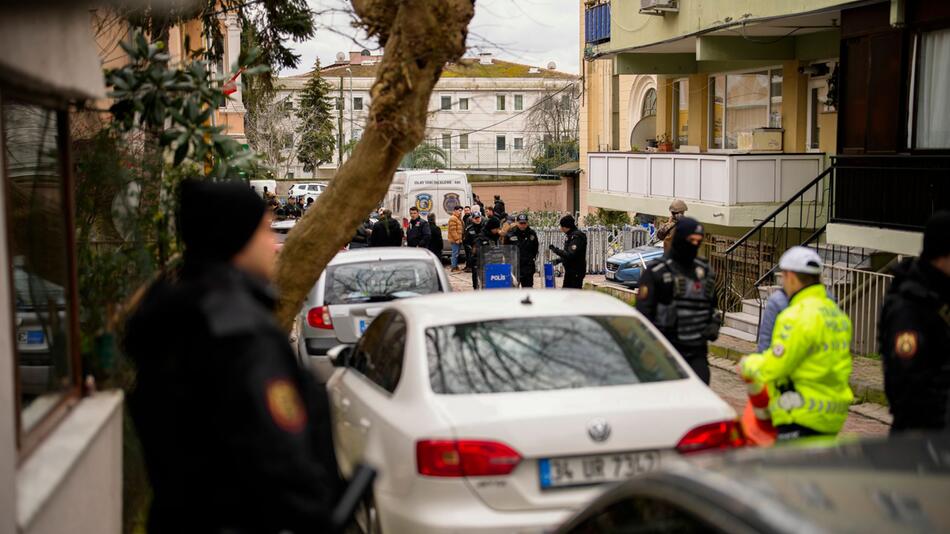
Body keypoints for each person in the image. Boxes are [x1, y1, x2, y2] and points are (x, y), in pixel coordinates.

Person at [124, 180, 342, 532]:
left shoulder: (169, 310)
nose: (273, 244)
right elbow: (279, 457)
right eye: (265, 230)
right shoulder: (240, 331)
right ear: (236, 237)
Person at [739, 246, 853, 441]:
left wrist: (748, 365)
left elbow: (778, 363)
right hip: (832, 414)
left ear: (790, 276)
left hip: (801, 413)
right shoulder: (836, 314)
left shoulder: (795, 316)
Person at [880, 211, 950, 433]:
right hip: (922, 439)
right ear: (943, 255)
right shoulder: (909, 306)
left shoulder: (939, 295)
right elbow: (908, 382)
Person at [636, 218, 719, 383]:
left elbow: (712, 306)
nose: (694, 244)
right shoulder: (657, 271)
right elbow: (644, 316)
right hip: (665, 353)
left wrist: (713, 324)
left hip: (696, 352)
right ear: (680, 238)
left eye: (698, 241)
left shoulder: (703, 271)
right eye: (691, 240)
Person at [549, 215, 587, 289]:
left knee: (573, 296)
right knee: (567, 294)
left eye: (562, 227)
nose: (561, 229)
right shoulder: (570, 235)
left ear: (566, 227)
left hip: (576, 272)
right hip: (570, 271)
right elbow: (569, 256)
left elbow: (570, 255)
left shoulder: (576, 237)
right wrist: (558, 260)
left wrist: (556, 250)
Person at [506, 213, 540, 288]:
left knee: (527, 289)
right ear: (517, 222)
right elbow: (506, 249)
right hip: (515, 266)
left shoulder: (532, 234)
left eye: (524, 223)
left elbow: (535, 248)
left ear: (527, 223)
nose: (523, 225)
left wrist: (530, 258)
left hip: (527, 267)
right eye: (521, 223)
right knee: (513, 289)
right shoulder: (511, 233)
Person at [464, 212, 485, 289]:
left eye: (478, 218)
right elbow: (466, 242)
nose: (477, 219)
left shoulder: (484, 228)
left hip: (484, 254)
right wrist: (471, 250)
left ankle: (484, 287)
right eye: (476, 218)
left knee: (484, 273)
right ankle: (475, 288)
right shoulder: (469, 229)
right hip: (475, 255)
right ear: (472, 219)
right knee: (475, 273)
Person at [447, 206, 465, 272]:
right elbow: (453, 230)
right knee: (455, 254)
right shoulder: (453, 218)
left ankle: (456, 266)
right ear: (455, 210)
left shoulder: (458, 218)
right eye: (459, 210)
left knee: (457, 254)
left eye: (461, 211)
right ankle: (453, 267)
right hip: (455, 240)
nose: (460, 212)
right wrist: (457, 239)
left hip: (459, 240)